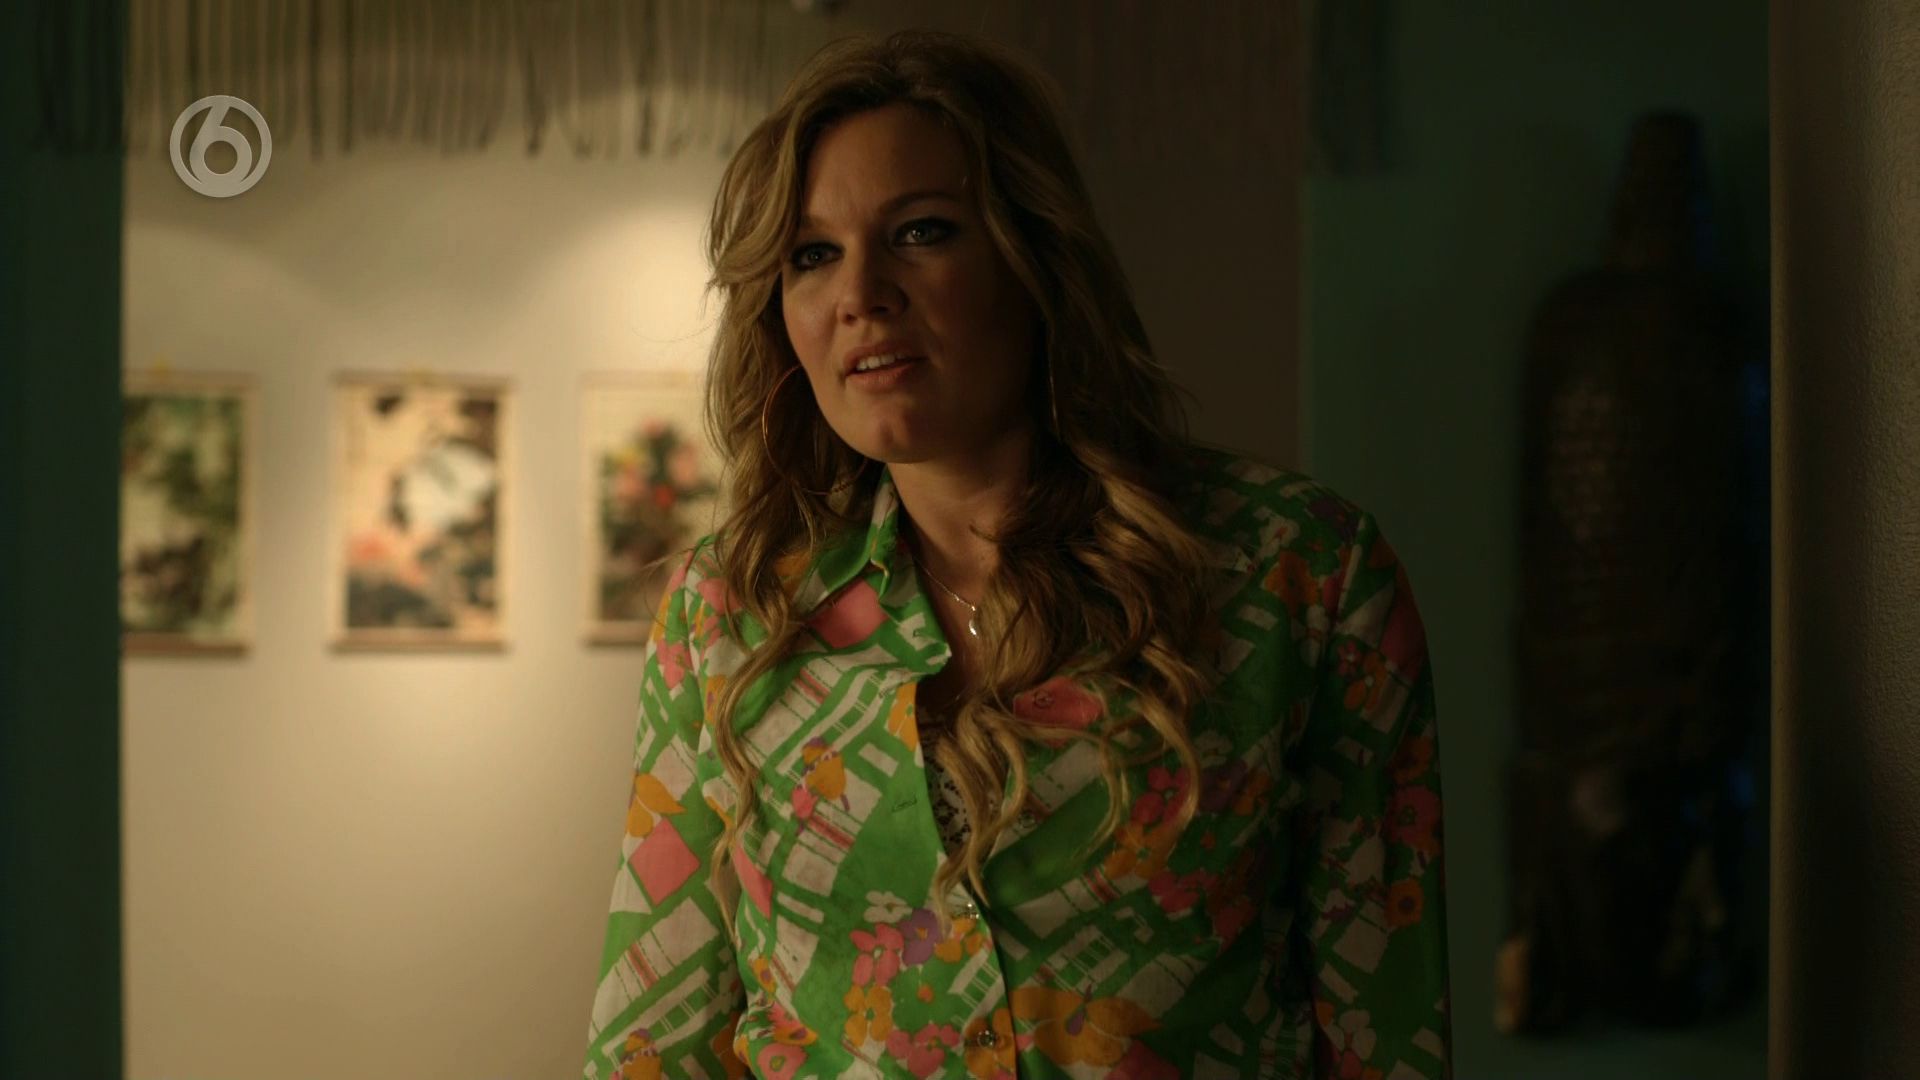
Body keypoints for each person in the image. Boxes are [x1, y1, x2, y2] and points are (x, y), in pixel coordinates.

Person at [582, 28, 1450, 1080]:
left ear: (1033, 257)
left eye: (921, 232)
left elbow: (1386, 1029)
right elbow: (653, 1041)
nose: (862, 293)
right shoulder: (729, 610)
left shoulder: (1297, 574)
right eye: (812, 255)